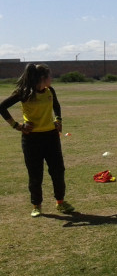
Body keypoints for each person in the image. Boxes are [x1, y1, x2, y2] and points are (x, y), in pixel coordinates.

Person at [0, 63, 75, 217]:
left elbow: (57, 106)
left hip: (51, 137)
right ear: (43, 78)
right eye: (50, 76)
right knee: (35, 174)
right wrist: (17, 125)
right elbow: (2, 107)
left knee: (58, 171)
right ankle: (37, 205)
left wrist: (58, 120)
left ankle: (60, 202)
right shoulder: (24, 93)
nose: (52, 79)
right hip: (31, 139)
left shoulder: (50, 91)